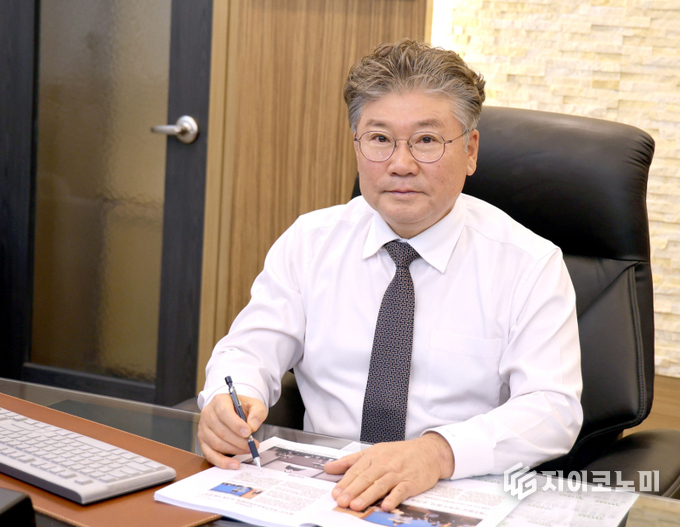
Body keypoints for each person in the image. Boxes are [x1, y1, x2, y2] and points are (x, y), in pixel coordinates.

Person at [197, 39, 583, 513]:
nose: (401, 165)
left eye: (426, 140)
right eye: (380, 139)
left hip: (453, 494)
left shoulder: (528, 263)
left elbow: (553, 409)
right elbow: (248, 349)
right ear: (357, 146)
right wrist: (230, 399)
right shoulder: (310, 241)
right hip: (322, 491)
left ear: (470, 150)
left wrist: (436, 453)